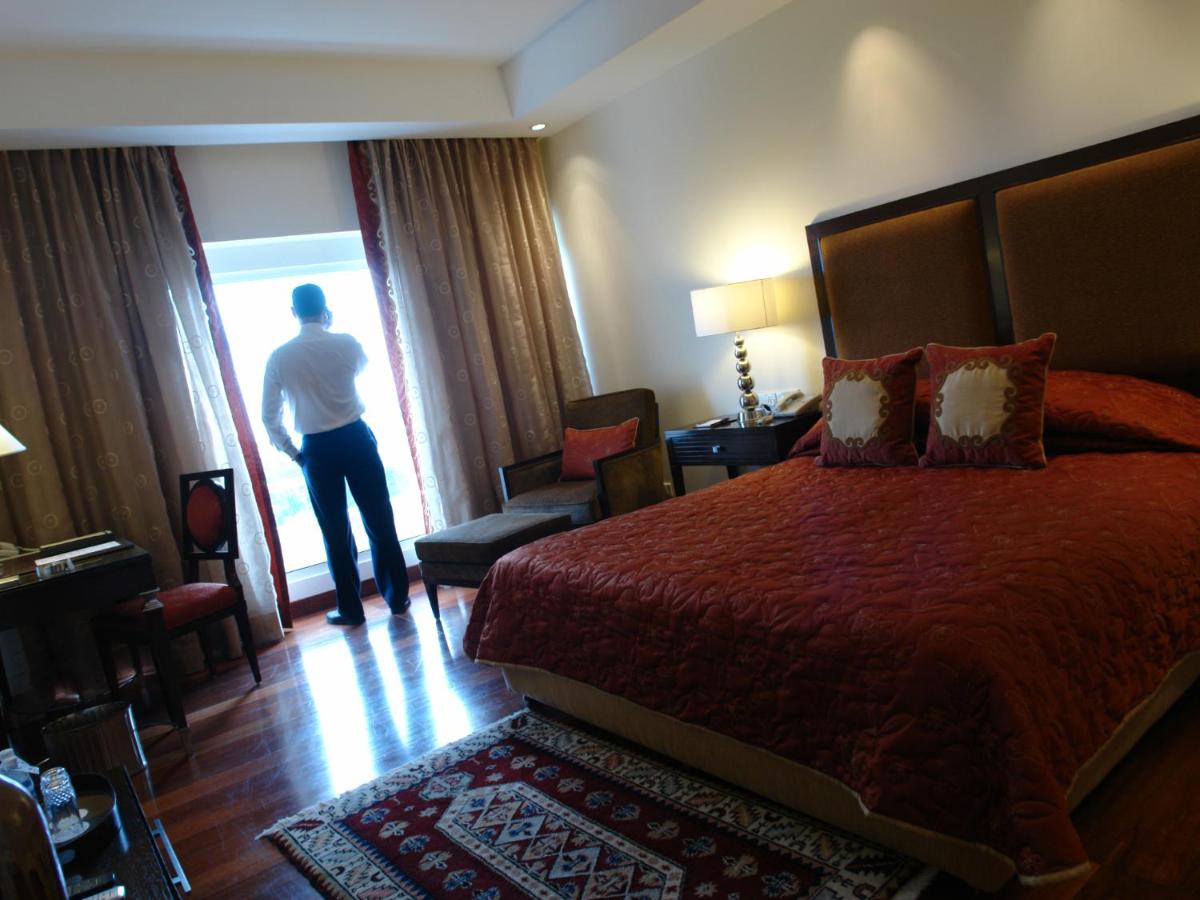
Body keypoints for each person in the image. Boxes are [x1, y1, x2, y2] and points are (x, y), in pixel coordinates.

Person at [262, 283, 411, 626]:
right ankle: (397, 597)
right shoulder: (347, 343)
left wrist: (294, 453)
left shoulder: (280, 356)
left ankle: (350, 609)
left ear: (293, 312)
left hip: (316, 448)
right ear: (325, 309)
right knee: (379, 518)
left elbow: (269, 417)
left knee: (334, 529)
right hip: (356, 437)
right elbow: (358, 369)